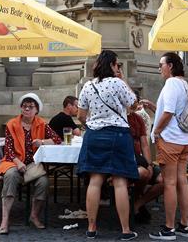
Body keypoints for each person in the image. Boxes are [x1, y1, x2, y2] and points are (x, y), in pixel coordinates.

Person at [77, 50, 138, 240]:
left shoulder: (87, 86)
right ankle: (125, 230)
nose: (118, 67)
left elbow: (80, 115)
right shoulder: (118, 83)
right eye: (117, 65)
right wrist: (122, 78)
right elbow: (134, 105)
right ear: (112, 65)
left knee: (95, 181)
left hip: (94, 135)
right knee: (120, 182)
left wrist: (93, 126)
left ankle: (92, 228)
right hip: (118, 135)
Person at [0, 92, 61, 234]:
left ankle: (34, 215)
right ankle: (5, 220)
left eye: (30, 107)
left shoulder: (42, 124)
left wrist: (42, 142)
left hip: (33, 164)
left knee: (43, 182)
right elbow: (8, 149)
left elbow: (57, 140)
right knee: (11, 176)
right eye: (24, 106)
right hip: (12, 161)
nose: (27, 109)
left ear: (36, 110)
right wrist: (18, 162)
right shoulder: (11, 124)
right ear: (21, 108)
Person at [150, 52, 188, 241]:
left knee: (169, 183)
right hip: (184, 140)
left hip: (170, 140)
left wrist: (156, 131)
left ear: (171, 66)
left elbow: (168, 112)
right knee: (182, 181)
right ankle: (184, 225)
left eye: (161, 65)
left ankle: (169, 229)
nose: (159, 69)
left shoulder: (171, 83)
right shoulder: (184, 84)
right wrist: (154, 107)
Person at [130, 96, 162, 224]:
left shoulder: (138, 118)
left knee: (165, 179)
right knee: (142, 174)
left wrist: (149, 163)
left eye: (134, 101)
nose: (133, 104)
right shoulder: (117, 118)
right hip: (126, 161)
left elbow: (144, 144)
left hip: (140, 160)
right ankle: (135, 201)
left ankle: (136, 204)